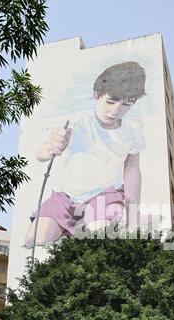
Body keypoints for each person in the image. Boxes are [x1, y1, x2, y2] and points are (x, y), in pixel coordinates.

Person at [25, 61, 146, 247]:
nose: (115, 111)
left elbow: (132, 170)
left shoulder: (132, 130)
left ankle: (86, 224)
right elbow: (41, 154)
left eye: (126, 104)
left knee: (99, 240)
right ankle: (70, 224)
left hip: (105, 195)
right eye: (111, 102)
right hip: (66, 195)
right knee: (35, 239)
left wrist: (133, 214)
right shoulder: (78, 122)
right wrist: (51, 147)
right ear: (96, 95)